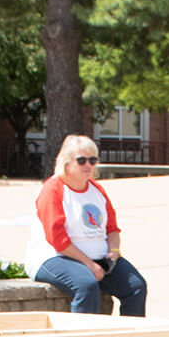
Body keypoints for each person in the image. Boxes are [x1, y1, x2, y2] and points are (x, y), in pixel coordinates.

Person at [27, 134, 150, 316]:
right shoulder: (52, 189)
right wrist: (90, 265)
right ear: (66, 163)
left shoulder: (96, 189)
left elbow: (112, 230)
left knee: (136, 287)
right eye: (81, 160)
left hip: (98, 258)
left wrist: (113, 255)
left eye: (92, 160)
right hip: (56, 258)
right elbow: (57, 239)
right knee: (86, 286)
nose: (88, 165)